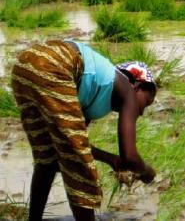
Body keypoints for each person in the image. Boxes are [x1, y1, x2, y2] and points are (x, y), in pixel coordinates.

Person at [11, 40, 157, 221]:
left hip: (24, 66)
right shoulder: (128, 91)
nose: (142, 111)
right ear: (137, 85)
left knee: (47, 159)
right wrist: (148, 173)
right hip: (55, 62)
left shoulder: (94, 88)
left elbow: (76, 141)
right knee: (80, 167)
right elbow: (130, 157)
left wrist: (109, 159)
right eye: (147, 102)